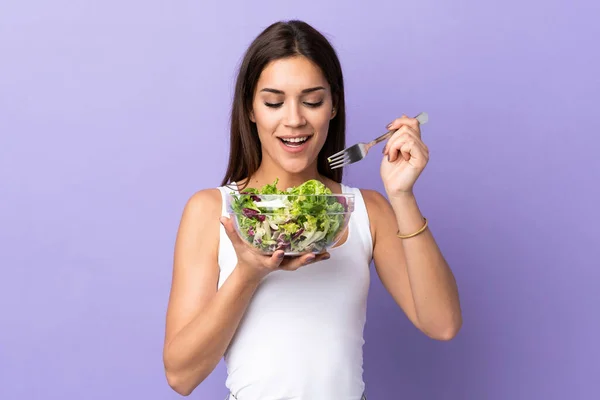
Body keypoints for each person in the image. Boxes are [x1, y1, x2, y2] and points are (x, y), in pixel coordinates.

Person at [162, 20, 462, 400]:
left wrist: (402, 195)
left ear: (333, 105)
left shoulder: (365, 209)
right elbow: (180, 376)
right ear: (251, 109)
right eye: (273, 102)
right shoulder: (213, 209)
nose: (294, 119)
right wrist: (248, 274)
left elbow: (443, 324)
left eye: (312, 101)